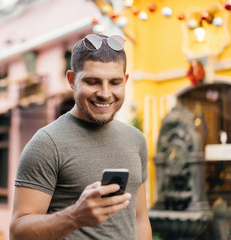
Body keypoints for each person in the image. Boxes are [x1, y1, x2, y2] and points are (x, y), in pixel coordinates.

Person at [9, 33, 152, 240]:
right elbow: (17, 232)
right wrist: (75, 216)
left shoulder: (136, 140)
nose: (105, 93)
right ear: (71, 80)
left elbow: (139, 220)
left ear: (125, 81)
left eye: (114, 82)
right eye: (92, 81)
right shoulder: (47, 143)